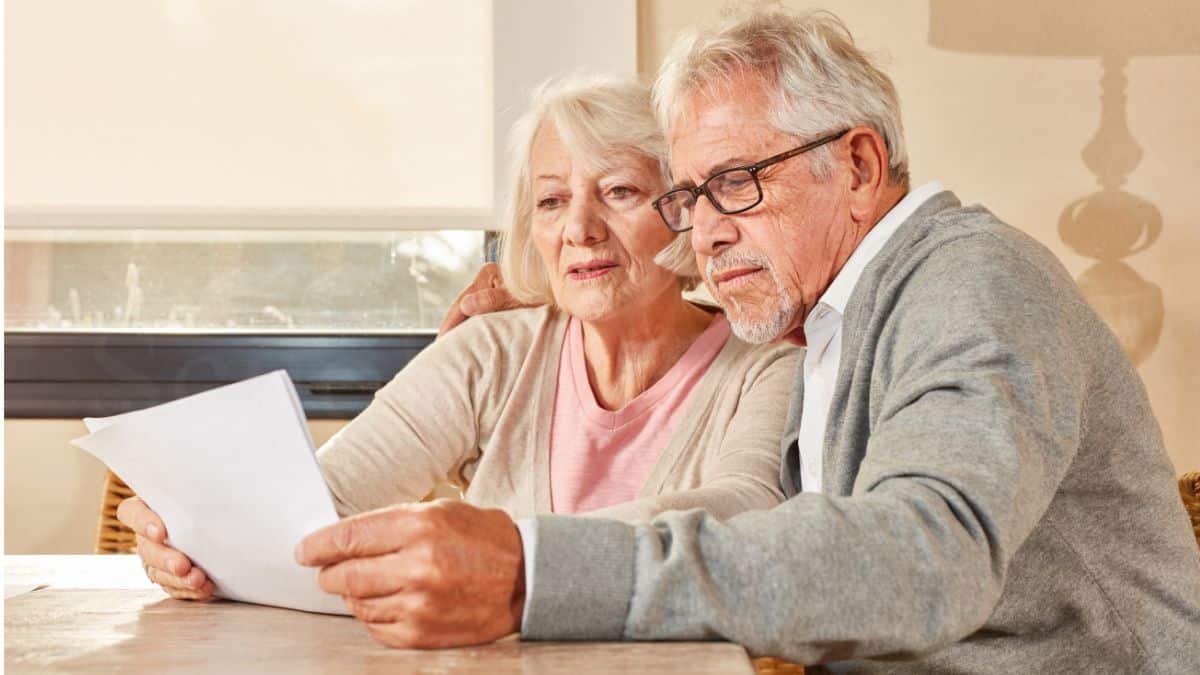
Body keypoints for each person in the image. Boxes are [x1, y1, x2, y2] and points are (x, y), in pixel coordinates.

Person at [290, 7, 1200, 671]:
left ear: (858, 164)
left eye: (735, 182)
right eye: (688, 197)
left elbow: (925, 560)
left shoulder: (973, 283)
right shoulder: (827, 320)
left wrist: (536, 567)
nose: (706, 230)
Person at [116, 75, 800, 608]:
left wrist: (504, 550)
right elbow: (320, 504)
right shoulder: (491, 352)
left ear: (681, 211)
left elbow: (743, 513)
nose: (579, 229)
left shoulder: (762, 365)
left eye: (618, 190)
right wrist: (188, 530)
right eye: (553, 200)